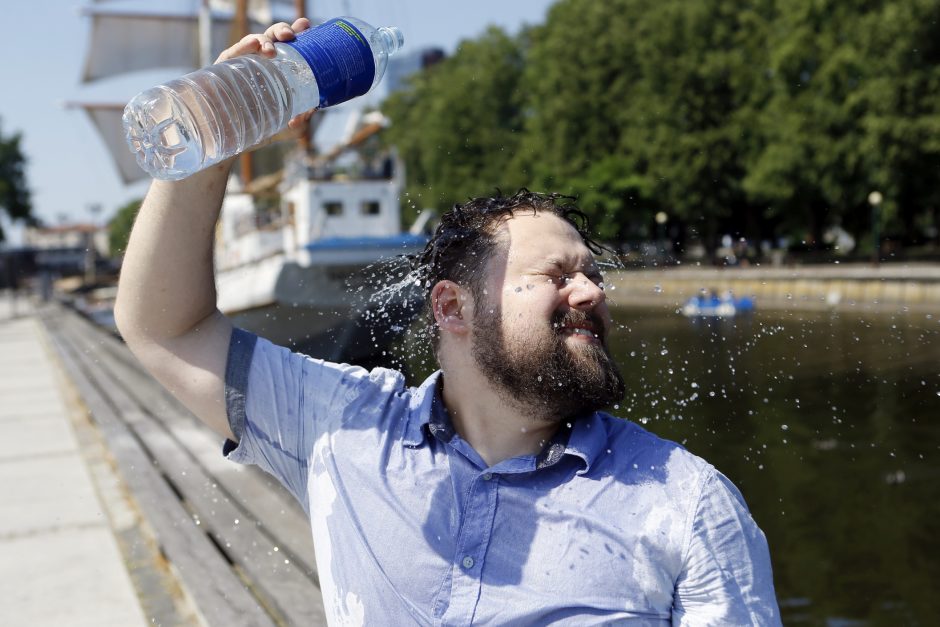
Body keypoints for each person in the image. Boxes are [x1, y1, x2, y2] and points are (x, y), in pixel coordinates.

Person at [115, 18, 781, 626]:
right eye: (557, 274)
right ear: (450, 307)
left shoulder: (688, 505)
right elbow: (164, 328)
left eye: (593, 276)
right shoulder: (342, 428)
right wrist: (215, 130)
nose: (590, 291)